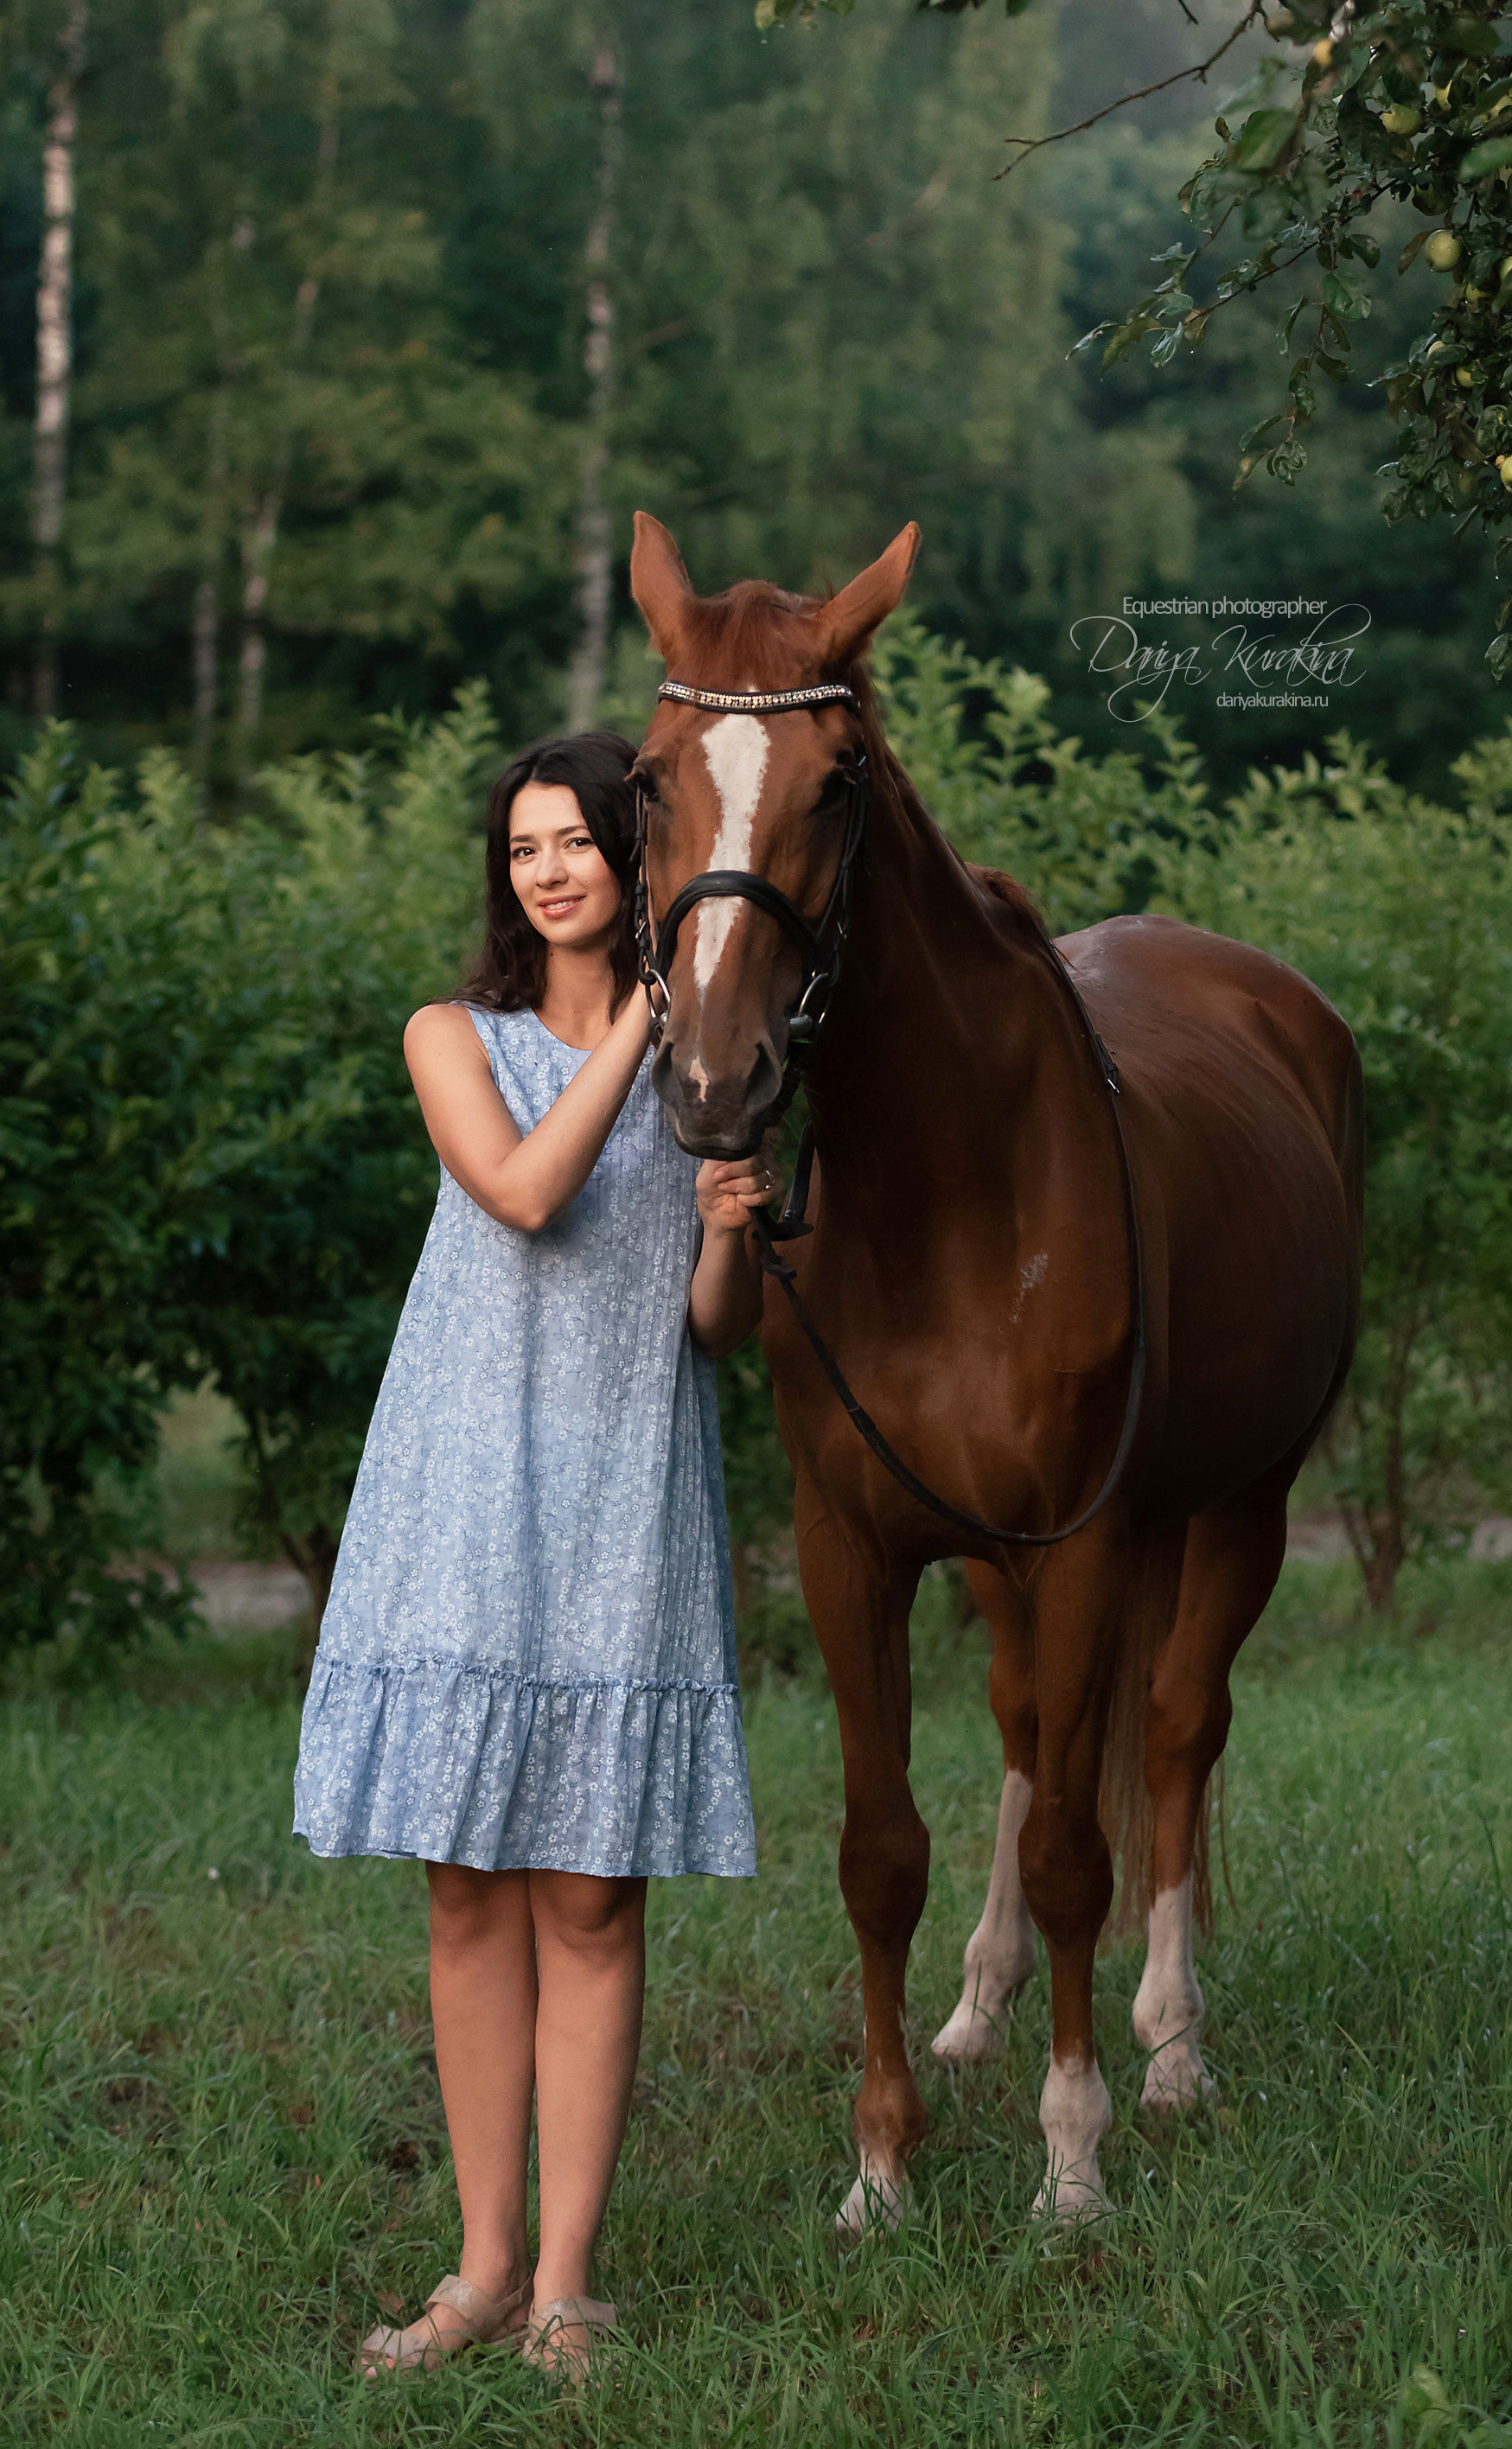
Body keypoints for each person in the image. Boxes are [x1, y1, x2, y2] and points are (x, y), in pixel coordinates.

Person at [292, 730, 773, 2386]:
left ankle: (568, 2280)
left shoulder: (716, 1065)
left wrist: (730, 1236)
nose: (548, 869)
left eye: (577, 842)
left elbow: (713, 1337)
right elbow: (519, 1194)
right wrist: (651, 1012)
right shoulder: (458, 1038)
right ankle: (481, 2265)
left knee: (589, 1888)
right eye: (524, 849)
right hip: (465, 1484)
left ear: (641, 860)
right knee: (465, 1876)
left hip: (626, 1486)